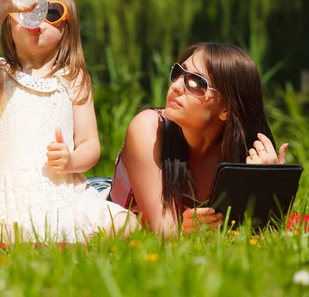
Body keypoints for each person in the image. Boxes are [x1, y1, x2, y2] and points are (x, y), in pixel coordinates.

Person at [0, 0, 136, 245]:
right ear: (10, 20)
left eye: (51, 12)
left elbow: (90, 144)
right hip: (12, 200)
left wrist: (71, 160)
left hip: (66, 193)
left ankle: (85, 211)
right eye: (28, 9)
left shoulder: (73, 79)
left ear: (67, 29)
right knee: (11, 236)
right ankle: (62, 240)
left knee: (127, 223)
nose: (37, 18)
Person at [88, 42, 288, 236]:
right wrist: (188, 230)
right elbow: (164, 232)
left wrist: (263, 184)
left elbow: (260, 231)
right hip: (97, 198)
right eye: (178, 74)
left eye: (195, 82)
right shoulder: (149, 128)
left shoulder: (240, 153)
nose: (175, 86)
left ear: (226, 108)